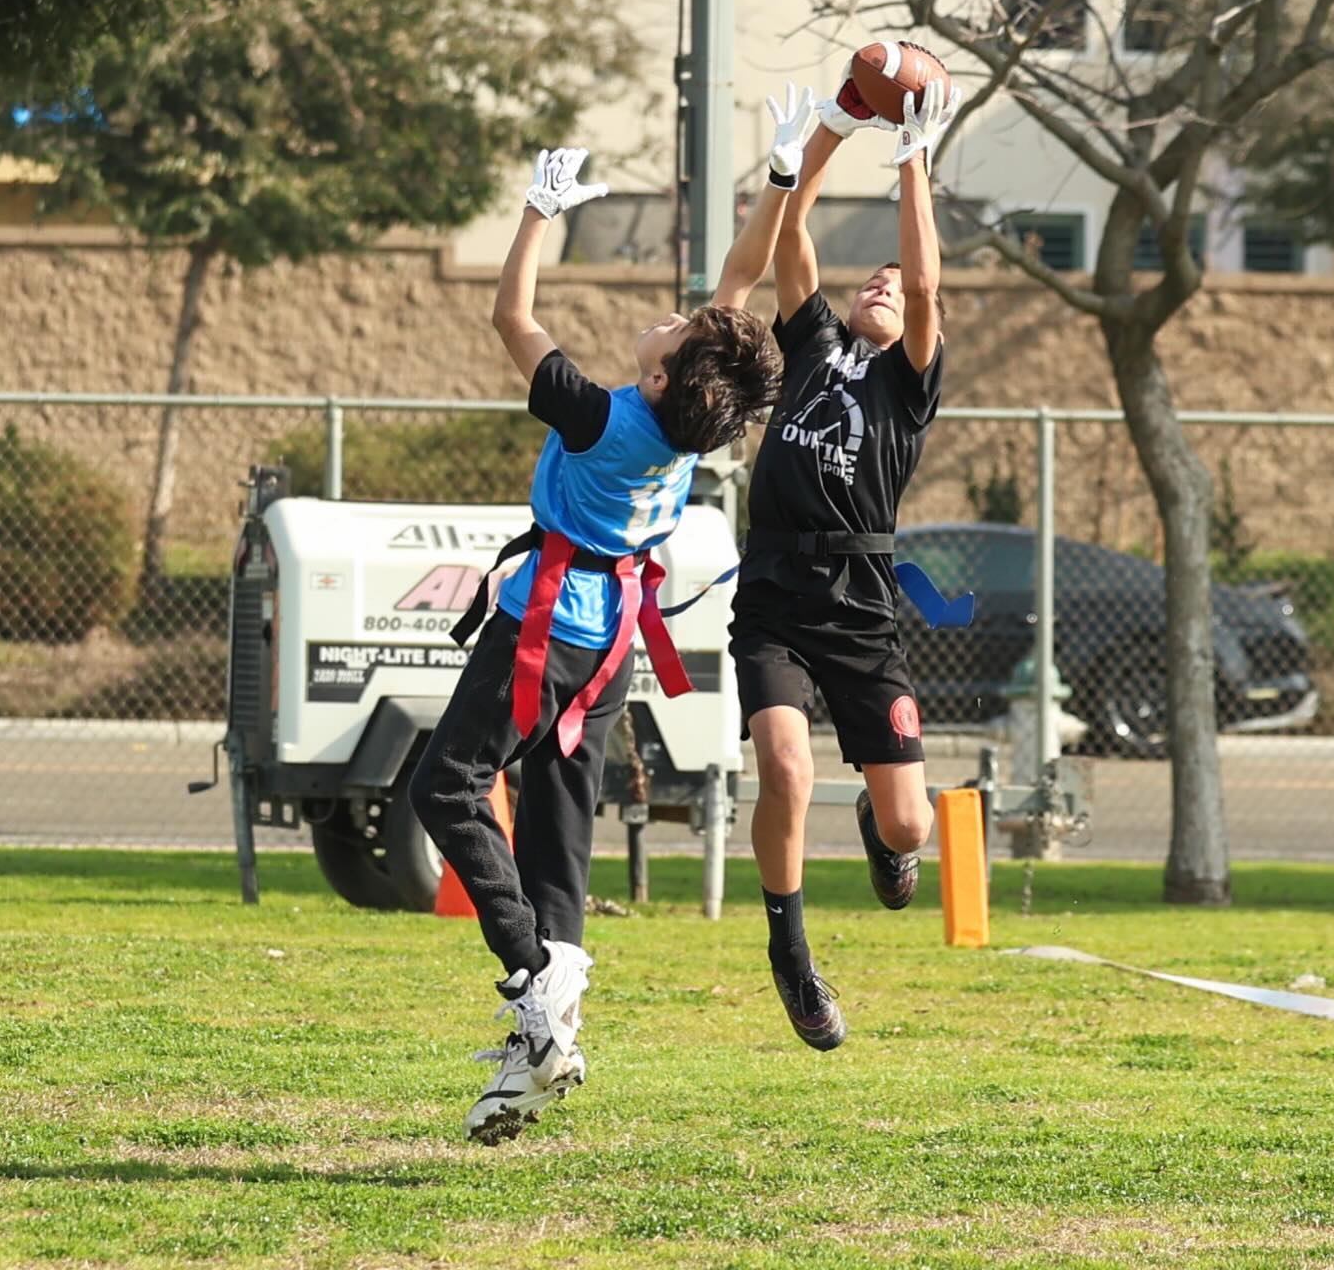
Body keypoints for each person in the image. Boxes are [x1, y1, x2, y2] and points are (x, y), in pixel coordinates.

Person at [409, 88, 812, 1143]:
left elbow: (512, 318)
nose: (677, 312)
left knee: (444, 785)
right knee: (556, 831)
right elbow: (740, 282)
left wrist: (539, 209)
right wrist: (779, 178)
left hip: (549, 624)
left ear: (665, 371)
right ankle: (539, 1050)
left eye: (678, 328)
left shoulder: (601, 419)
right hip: (613, 638)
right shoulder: (690, 420)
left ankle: (532, 978)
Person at [729, 72, 962, 1050]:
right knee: (785, 768)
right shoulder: (815, 346)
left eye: (893, 289)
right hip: (776, 592)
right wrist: (822, 135)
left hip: (862, 607)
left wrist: (912, 160)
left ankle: (880, 827)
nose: (881, 284)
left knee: (913, 829)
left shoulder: (908, 384)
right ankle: (791, 955)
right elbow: (792, 238)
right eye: (872, 277)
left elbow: (927, 281)